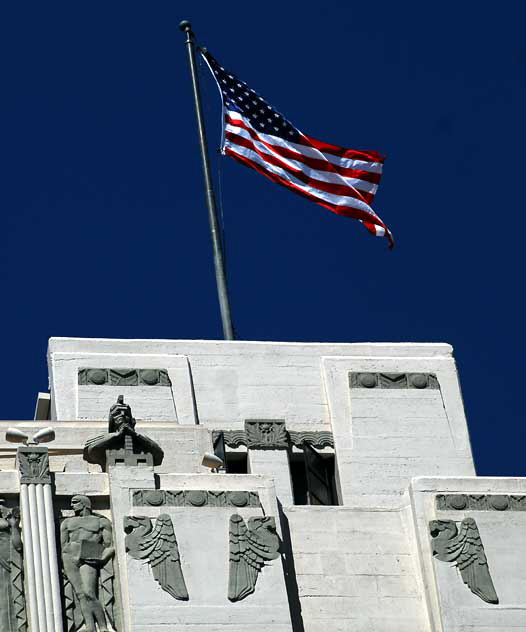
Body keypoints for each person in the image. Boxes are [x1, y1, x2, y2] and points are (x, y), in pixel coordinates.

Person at [61, 496, 115, 632]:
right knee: (80, 594)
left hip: (88, 556)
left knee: (89, 592)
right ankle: (90, 626)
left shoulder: (100, 522)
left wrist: (102, 558)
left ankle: (103, 626)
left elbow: (109, 545)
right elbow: (63, 545)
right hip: (70, 556)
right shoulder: (67, 523)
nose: (72, 505)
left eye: (75, 502)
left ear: (85, 504)